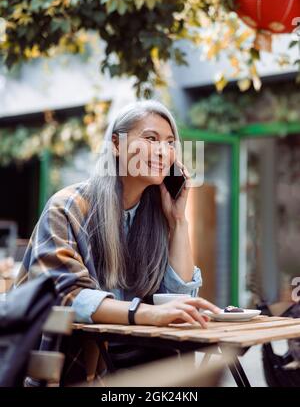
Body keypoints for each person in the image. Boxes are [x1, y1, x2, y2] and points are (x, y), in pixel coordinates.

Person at [15, 99, 220, 379]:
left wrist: (178, 221)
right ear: (116, 144)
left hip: (133, 360)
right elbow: (67, 296)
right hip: (71, 364)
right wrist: (147, 314)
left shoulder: (156, 215)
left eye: (170, 143)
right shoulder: (68, 206)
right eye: (151, 138)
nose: (163, 151)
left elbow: (178, 298)